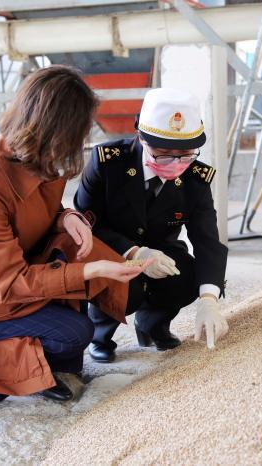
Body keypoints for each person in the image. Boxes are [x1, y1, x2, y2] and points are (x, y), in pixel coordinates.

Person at [0, 65, 152, 410]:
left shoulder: (38, 157)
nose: (82, 140)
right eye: (79, 131)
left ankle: (41, 367)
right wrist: (91, 270)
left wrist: (68, 217)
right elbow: (11, 281)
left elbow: (30, 215)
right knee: (74, 332)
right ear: (55, 129)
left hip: (10, 266)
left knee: (99, 293)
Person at [75, 88, 229, 363]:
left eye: (185, 154)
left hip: (163, 250)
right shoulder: (107, 163)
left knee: (187, 274)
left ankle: (152, 325)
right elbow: (86, 223)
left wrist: (209, 298)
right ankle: (101, 335)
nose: (175, 162)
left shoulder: (195, 179)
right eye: (163, 153)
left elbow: (207, 240)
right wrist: (135, 252)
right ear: (141, 137)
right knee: (124, 286)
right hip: (112, 251)